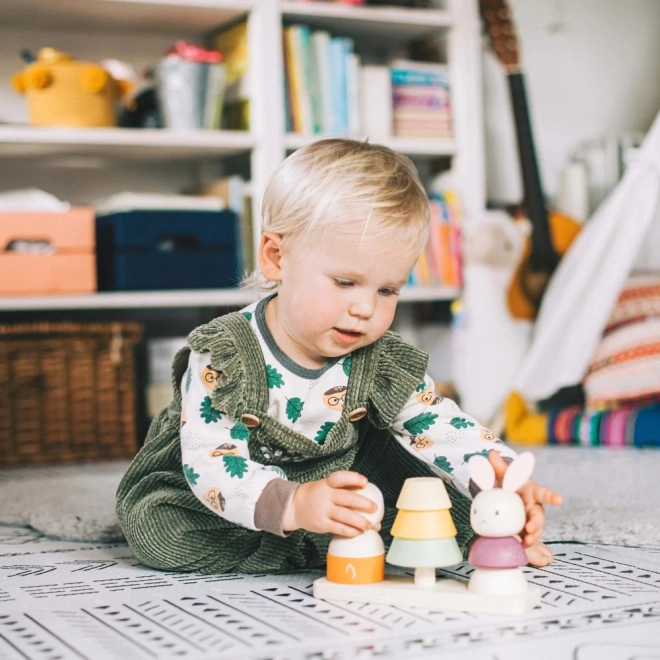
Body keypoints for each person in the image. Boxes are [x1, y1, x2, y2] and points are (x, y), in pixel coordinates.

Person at [116, 138, 561, 575]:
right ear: (276, 258)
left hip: (342, 472)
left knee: (442, 510)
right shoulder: (226, 355)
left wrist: (499, 480)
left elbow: (439, 424)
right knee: (162, 531)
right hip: (228, 483)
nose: (365, 308)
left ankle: (335, 530)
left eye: (387, 290)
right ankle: (300, 533)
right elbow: (211, 462)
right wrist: (294, 503)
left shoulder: (379, 359)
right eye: (345, 283)